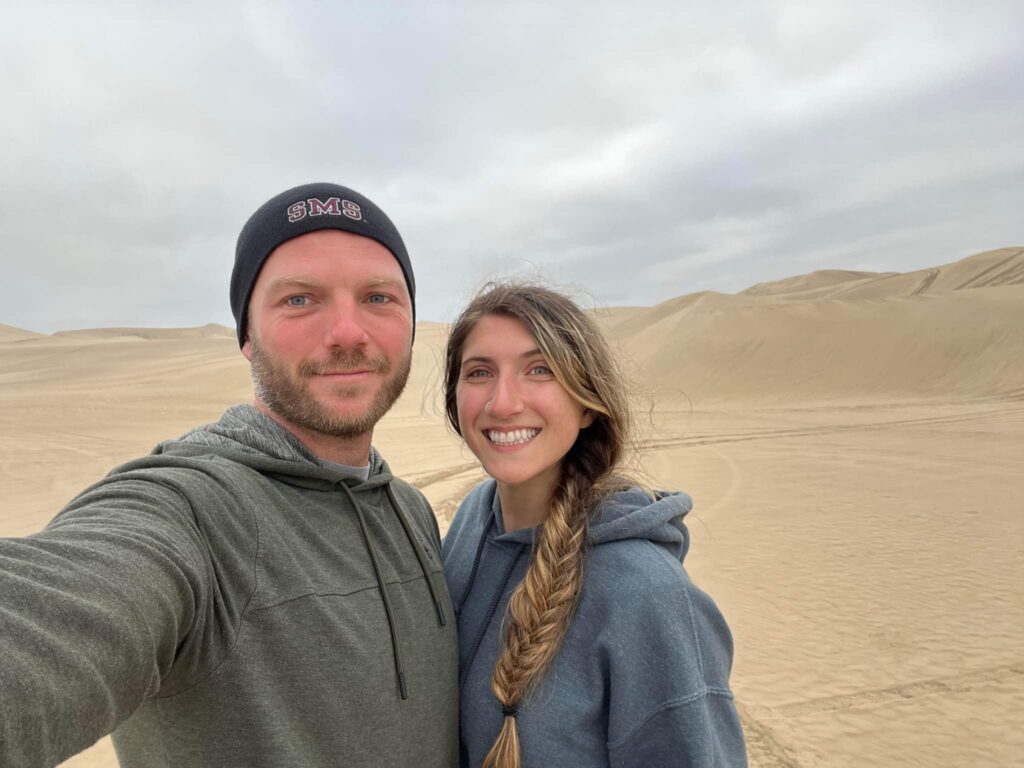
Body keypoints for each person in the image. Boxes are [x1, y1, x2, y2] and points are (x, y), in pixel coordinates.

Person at [0, 182, 458, 767]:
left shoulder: (410, 509)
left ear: (411, 324)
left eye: (378, 298)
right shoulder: (194, 508)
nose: (348, 332)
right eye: (300, 299)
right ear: (246, 333)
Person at [441, 283, 747, 767]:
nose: (502, 403)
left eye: (538, 370)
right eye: (479, 372)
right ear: (455, 400)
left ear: (587, 403)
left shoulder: (648, 595)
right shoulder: (470, 526)